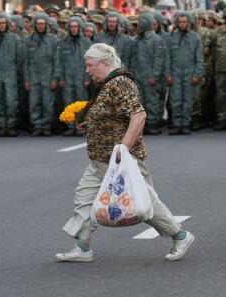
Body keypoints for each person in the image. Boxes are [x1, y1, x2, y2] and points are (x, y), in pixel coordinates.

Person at [56, 43, 194, 262]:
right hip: (100, 159)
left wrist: (124, 149)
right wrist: (88, 122)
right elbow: (110, 114)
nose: (87, 70)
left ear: (104, 63)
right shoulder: (107, 84)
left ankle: (180, 235)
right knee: (84, 199)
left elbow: (138, 116)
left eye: (90, 65)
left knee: (144, 203)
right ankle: (82, 248)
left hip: (120, 160)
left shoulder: (120, 83)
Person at [166, 12, 203, 135]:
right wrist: (168, 75)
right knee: (175, 100)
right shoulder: (171, 37)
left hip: (190, 74)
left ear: (189, 22)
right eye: (180, 22)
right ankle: (177, 124)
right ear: (177, 23)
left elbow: (199, 58)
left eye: (184, 22)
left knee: (188, 101)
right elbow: (168, 58)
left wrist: (197, 75)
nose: (182, 24)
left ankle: (186, 124)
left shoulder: (195, 38)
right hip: (175, 74)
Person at [24, 12, 60, 136]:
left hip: (48, 76)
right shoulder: (28, 40)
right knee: (34, 102)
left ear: (46, 25)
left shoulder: (53, 40)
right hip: (33, 76)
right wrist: (27, 79)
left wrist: (55, 78)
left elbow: (57, 61)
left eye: (42, 24)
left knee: (47, 102)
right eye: (38, 24)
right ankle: (37, 125)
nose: (40, 26)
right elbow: (26, 61)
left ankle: (46, 126)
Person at [0, 13, 22, 137]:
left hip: (10, 74)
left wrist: (16, 73)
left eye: (3, 23)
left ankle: (11, 125)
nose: (1, 25)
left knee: (11, 101)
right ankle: (1, 125)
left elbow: (19, 59)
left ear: (7, 24)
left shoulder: (15, 39)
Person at [59, 16, 91, 136]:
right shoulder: (63, 42)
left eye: (76, 26)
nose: (73, 29)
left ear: (80, 27)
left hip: (81, 77)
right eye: (71, 27)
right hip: (67, 77)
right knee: (68, 102)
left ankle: (81, 127)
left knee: (81, 103)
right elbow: (59, 61)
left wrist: (87, 77)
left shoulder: (86, 42)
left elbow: (90, 62)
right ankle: (70, 126)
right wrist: (61, 78)